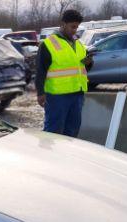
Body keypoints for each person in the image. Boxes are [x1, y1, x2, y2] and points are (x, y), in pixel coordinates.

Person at [34, 9, 94, 137]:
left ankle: (67, 157)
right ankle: (49, 157)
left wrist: (89, 63)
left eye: (77, 27)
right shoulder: (48, 44)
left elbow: (81, 67)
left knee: (72, 131)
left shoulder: (78, 44)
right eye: (72, 27)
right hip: (57, 97)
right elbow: (40, 71)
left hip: (77, 94)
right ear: (63, 24)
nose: (75, 30)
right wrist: (40, 93)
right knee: (53, 132)